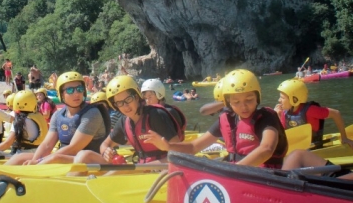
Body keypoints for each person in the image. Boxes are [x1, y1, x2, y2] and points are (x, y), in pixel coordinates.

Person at [144, 69, 288, 169]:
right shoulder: (227, 119)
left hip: (264, 177)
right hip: (237, 174)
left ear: (258, 98)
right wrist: (169, 147)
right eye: (236, 102)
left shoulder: (267, 118)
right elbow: (194, 147)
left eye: (249, 99)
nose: (243, 106)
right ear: (228, 102)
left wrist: (235, 170)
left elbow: (266, 149)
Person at [75, 75, 185, 165]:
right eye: (120, 103)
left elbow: (180, 154)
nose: (126, 106)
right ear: (115, 106)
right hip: (142, 168)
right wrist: (106, 152)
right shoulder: (124, 122)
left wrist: (148, 166)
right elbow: (105, 144)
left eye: (128, 99)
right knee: (84, 155)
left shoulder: (156, 116)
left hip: (163, 170)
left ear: (137, 97)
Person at [6, 71, 109, 165]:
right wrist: (35, 160)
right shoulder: (58, 115)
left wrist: (39, 162)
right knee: (18, 158)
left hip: (87, 160)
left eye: (79, 89)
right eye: (70, 90)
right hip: (64, 157)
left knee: (55, 159)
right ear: (61, 94)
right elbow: (47, 145)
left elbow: (74, 148)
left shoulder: (92, 114)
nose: (76, 93)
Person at [276, 78, 353, 148]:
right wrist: (277, 117)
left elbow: (336, 113)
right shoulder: (284, 112)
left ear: (294, 99)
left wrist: (344, 138)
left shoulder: (311, 110)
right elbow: (283, 135)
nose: (279, 100)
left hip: (314, 146)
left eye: (282, 98)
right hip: (298, 147)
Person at [0, 91, 48, 157]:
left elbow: (8, 143)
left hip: (24, 154)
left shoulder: (20, 120)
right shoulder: (38, 116)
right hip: (40, 152)